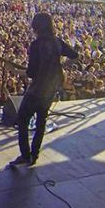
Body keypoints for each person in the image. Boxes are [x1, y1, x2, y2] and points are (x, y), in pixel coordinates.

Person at [11, 13, 78, 167]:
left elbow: (31, 73)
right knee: (41, 120)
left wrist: (15, 71)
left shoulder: (36, 45)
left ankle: (25, 155)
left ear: (36, 26)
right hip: (52, 88)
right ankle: (34, 155)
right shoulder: (57, 42)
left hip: (37, 89)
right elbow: (75, 56)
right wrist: (61, 66)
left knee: (22, 118)